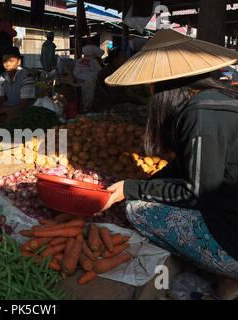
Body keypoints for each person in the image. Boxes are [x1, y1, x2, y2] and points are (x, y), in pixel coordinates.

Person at [100, 29, 238, 299]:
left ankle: (227, 270)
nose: (151, 93)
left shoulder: (199, 114)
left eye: (152, 87)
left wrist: (131, 190)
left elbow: (195, 194)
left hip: (233, 242)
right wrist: (146, 184)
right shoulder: (219, 100)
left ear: (165, 86)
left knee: (138, 210)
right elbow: (184, 167)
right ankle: (227, 279)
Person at [0, 46, 36, 125]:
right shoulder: (3, 76)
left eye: (11, 61)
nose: (7, 64)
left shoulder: (27, 77)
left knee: (10, 117)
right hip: (8, 109)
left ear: (19, 62)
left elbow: (23, 106)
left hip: (23, 112)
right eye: (4, 61)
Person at [92, 47, 149, 113]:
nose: (126, 59)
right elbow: (117, 94)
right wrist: (137, 99)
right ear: (115, 60)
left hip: (116, 102)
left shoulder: (119, 70)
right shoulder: (107, 73)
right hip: (105, 105)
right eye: (124, 57)